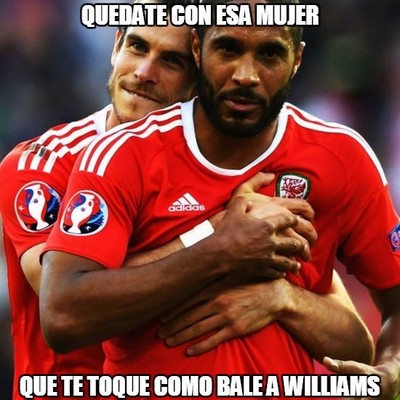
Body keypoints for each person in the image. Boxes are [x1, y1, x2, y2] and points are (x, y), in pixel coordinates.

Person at [0, 0, 374, 398]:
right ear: (115, 46)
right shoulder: (42, 164)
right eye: (137, 47)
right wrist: (217, 239)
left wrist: (285, 297)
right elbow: (64, 299)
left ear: (201, 74)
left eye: (171, 61)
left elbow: (344, 329)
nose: (144, 73)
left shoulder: (231, 174)